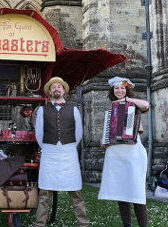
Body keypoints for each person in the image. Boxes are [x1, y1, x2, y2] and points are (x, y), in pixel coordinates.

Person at [32, 77, 89, 227]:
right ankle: (39, 223)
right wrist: (48, 147)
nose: (56, 89)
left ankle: (83, 223)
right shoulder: (42, 110)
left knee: (75, 191)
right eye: (53, 87)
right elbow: (38, 133)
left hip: (69, 153)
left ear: (64, 91)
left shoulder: (74, 109)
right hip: (49, 152)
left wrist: (68, 146)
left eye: (59, 87)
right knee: (44, 192)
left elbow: (79, 133)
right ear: (49, 92)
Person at [98, 76, 149, 227]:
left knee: (136, 190)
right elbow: (110, 130)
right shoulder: (111, 108)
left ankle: (143, 225)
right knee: (121, 190)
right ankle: (127, 224)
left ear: (126, 90)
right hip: (115, 152)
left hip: (133, 151)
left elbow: (146, 104)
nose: (119, 90)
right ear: (112, 91)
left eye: (122, 88)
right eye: (116, 88)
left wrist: (126, 100)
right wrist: (104, 140)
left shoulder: (133, 104)